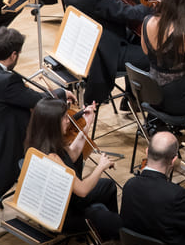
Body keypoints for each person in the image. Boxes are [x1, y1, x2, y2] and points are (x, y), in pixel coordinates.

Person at [0, 27, 72, 216]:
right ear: (13, 55)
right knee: (55, 139)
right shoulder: (6, 81)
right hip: (5, 148)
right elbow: (38, 101)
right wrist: (62, 92)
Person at [62, 0, 152, 105]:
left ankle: (130, 99)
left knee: (139, 39)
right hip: (105, 53)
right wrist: (148, 5)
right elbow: (128, 14)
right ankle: (138, 103)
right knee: (155, 57)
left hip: (81, 49)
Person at [24, 99, 118, 236]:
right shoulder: (52, 157)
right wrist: (101, 167)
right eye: (64, 118)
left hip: (63, 200)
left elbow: (72, 155)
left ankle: (107, 236)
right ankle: (112, 238)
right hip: (62, 216)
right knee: (111, 219)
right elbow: (83, 190)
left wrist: (87, 123)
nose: (68, 120)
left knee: (108, 186)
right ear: (53, 123)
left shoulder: (39, 142)